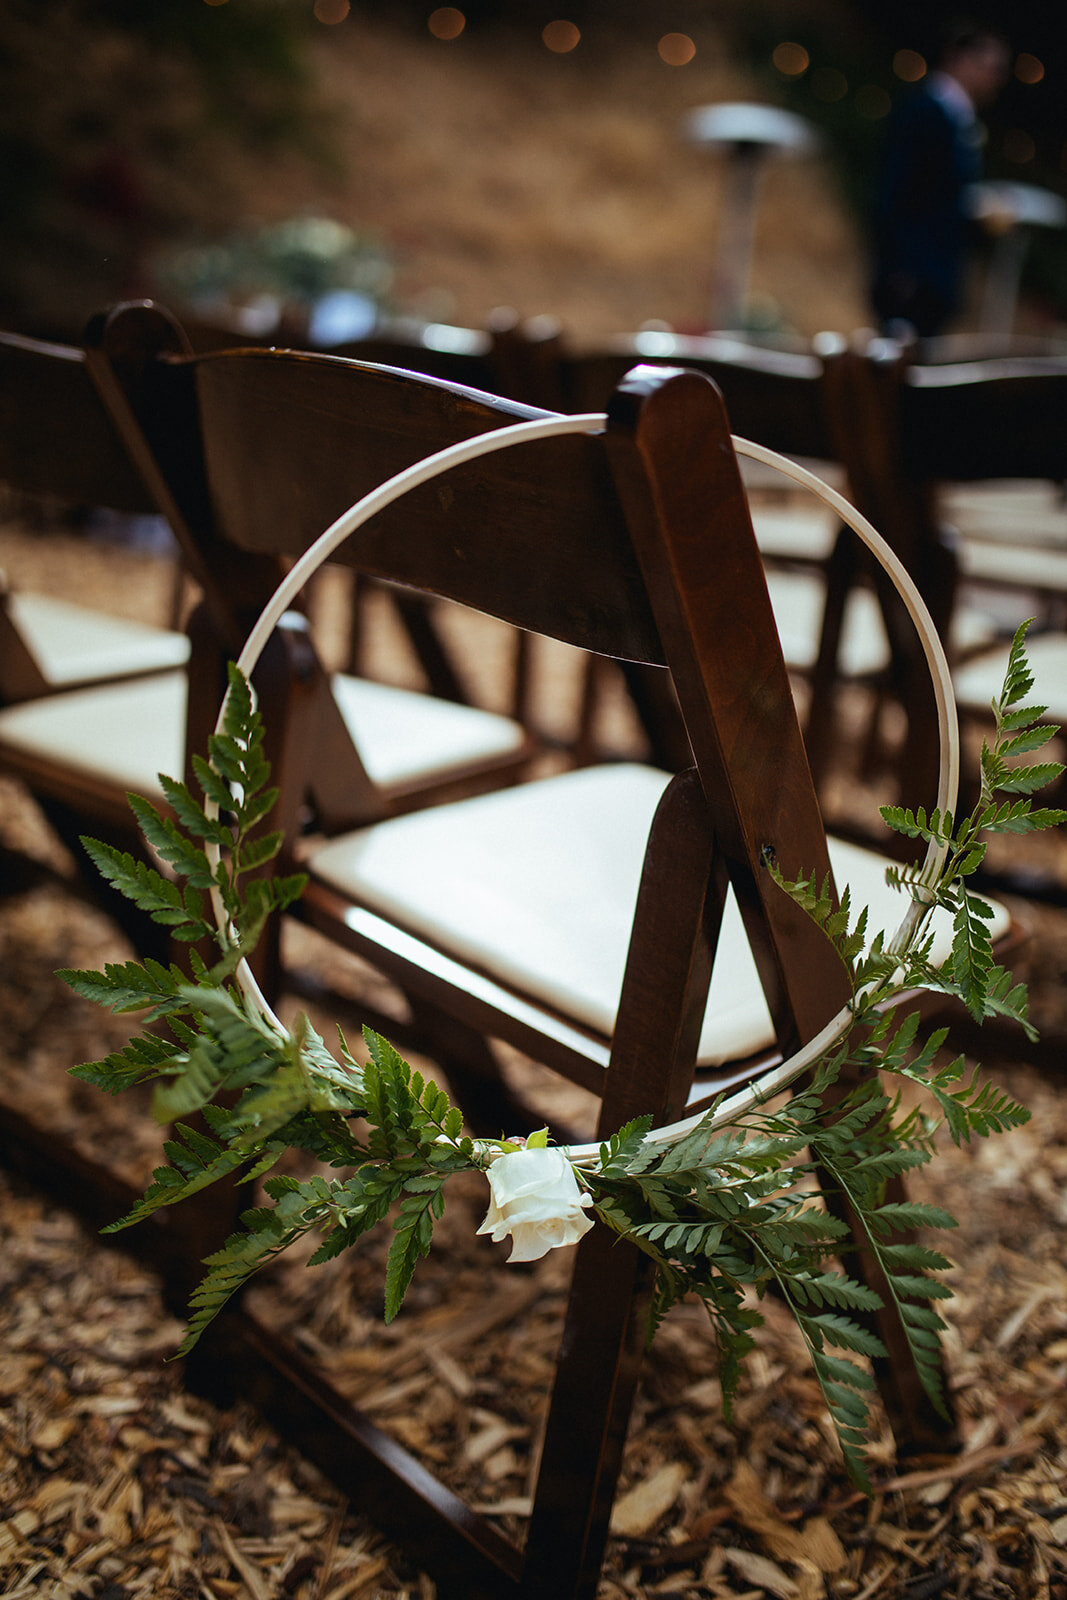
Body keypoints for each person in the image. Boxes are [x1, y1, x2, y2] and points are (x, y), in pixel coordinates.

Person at [871, 22, 1011, 337]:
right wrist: (899, 268)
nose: (996, 79)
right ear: (959, 59)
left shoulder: (961, 119)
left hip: (938, 277)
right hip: (913, 277)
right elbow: (895, 191)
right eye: (991, 67)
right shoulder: (922, 111)